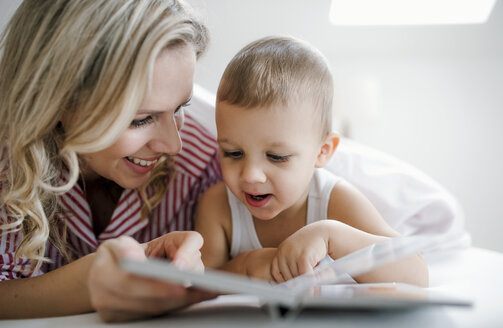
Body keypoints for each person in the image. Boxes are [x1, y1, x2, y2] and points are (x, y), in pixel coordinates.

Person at [0, 0, 221, 322]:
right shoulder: (11, 166)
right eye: (141, 119)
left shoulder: (205, 163)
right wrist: (87, 282)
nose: (174, 144)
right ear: (54, 101)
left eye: (180, 107)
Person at [194, 36, 429, 285]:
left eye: (277, 157)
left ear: (322, 151)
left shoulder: (337, 202)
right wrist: (248, 266)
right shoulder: (218, 207)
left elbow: (416, 274)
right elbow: (198, 286)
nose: (250, 174)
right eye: (233, 153)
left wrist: (333, 236)